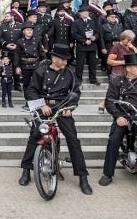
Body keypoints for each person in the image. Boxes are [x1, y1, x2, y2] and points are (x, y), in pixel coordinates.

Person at [20, 43, 92, 195]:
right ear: (54, 58)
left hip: (62, 107)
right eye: (63, 59)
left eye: (66, 59)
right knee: (34, 135)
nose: (66, 62)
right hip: (44, 106)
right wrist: (41, 106)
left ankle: (83, 177)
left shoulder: (70, 73)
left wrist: (69, 108)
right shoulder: (40, 71)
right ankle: (26, 169)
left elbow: (75, 92)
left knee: (73, 139)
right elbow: (31, 90)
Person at [99, 53, 137, 185]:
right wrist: (118, 116)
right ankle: (107, 174)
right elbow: (109, 102)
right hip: (124, 117)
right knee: (114, 140)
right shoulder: (117, 82)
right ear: (128, 68)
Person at [72, 4, 101, 85]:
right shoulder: (76, 22)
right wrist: (84, 41)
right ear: (80, 14)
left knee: (93, 64)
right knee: (80, 64)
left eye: (87, 12)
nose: (85, 13)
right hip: (81, 46)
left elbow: (97, 32)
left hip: (92, 46)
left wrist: (95, 37)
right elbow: (74, 34)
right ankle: (78, 79)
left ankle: (93, 79)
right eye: (83, 12)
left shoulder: (93, 21)